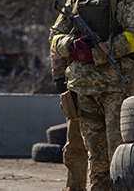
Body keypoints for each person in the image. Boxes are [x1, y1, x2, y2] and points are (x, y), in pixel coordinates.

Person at [50, 0, 134, 191]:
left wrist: (99, 53)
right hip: (83, 87)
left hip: (114, 85)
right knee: (95, 153)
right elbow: (55, 36)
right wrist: (71, 46)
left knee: (117, 149)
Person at [50, 48, 87, 191]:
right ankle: (75, 185)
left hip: (107, 86)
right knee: (75, 140)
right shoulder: (68, 25)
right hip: (76, 85)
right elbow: (57, 44)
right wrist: (59, 77)